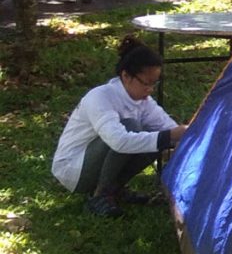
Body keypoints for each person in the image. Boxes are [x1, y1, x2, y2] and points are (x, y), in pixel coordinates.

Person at [51, 36, 187, 217]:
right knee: (132, 127)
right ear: (126, 76)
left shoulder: (143, 101)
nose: (150, 89)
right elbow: (118, 142)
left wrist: (180, 138)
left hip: (98, 161)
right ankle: (100, 195)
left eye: (155, 83)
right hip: (74, 170)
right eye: (146, 83)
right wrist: (169, 136)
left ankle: (115, 189)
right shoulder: (100, 97)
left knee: (156, 136)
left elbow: (167, 127)